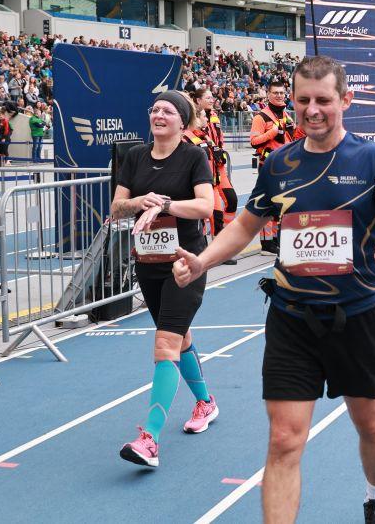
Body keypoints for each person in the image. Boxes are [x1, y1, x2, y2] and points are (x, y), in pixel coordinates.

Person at [173, 56, 375, 524]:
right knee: (284, 439)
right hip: (292, 318)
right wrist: (203, 260)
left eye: (323, 100)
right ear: (292, 100)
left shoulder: (373, 159)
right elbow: (244, 227)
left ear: (345, 100)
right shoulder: (278, 163)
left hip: (358, 316)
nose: (313, 110)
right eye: (303, 100)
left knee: (370, 425)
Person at [113, 91, 217, 467]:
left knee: (165, 345)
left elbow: (206, 206)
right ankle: (205, 402)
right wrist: (139, 202)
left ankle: (150, 439)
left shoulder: (193, 156)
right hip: (149, 262)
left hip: (185, 264)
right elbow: (116, 207)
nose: (158, 114)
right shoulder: (135, 156)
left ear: (182, 121)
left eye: (168, 111)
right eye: (154, 109)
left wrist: (166, 204)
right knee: (179, 337)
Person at [190, 87, 238, 259]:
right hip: (205, 174)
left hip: (217, 169)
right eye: (208, 97)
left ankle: (225, 239)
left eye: (212, 97)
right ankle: (207, 247)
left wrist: (219, 150)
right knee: (207, 213)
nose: (212, 100)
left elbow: (218, 139)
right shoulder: (192, 126)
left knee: (231, 201)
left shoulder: (214, 117)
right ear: (198, 101)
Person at [250, 80, 297, 253]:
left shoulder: (287, 116)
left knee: (281, 205)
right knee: (268, 205)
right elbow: (254, 141)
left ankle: (276, 239)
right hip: (268, 166)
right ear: (268, 94)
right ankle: (266, 243)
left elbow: (292, 140)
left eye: (281, 93)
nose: (279, 95)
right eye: (275, 93)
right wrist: (272, 133)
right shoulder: (260, 117)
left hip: (286, 166)